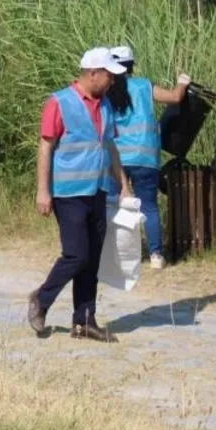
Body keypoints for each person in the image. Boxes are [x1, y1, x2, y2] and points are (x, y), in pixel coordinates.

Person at [27, 47, 134, 343]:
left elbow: (110, 147)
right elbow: (45, 146)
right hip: (68, 193)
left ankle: (84, 321)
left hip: (97, 190)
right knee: (77, 255)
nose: (113, 82)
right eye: (109, 76)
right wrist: (42, 191)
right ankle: (41, 299)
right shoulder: (59, 102)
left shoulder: (106, 105)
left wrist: (123, 185)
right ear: (93, 73)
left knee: (92, 259)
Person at [106, 45, 190, 270]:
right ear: (131, 66)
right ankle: (156, 255)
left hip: (116, 158)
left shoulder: (106, 90)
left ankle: (115, 253)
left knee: (113, 205)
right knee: (149, 207)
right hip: (145, 157)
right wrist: (182, 82)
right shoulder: (144, 86)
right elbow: (175, 97)